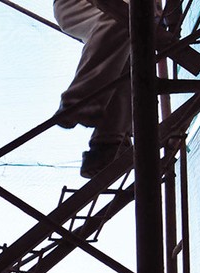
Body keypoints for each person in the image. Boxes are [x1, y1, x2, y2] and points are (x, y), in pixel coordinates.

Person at [53, 0, 132, 179]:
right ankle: (80, 102)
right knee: (125, 19)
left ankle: (108, 143)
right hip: (77, 4)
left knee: (129, 53)